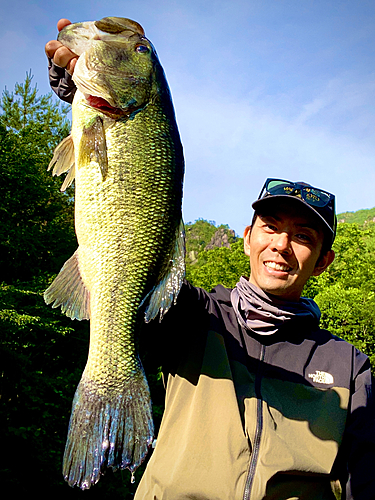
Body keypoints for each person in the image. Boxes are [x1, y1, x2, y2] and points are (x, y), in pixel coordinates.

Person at [45, 20, 375, 500]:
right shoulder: (196, 319)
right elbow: (135, 302)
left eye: (303, 237)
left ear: (322, 262)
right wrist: (79, 95)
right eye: (270, 228)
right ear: (246, 239)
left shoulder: (350, 368)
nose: (281, 245)